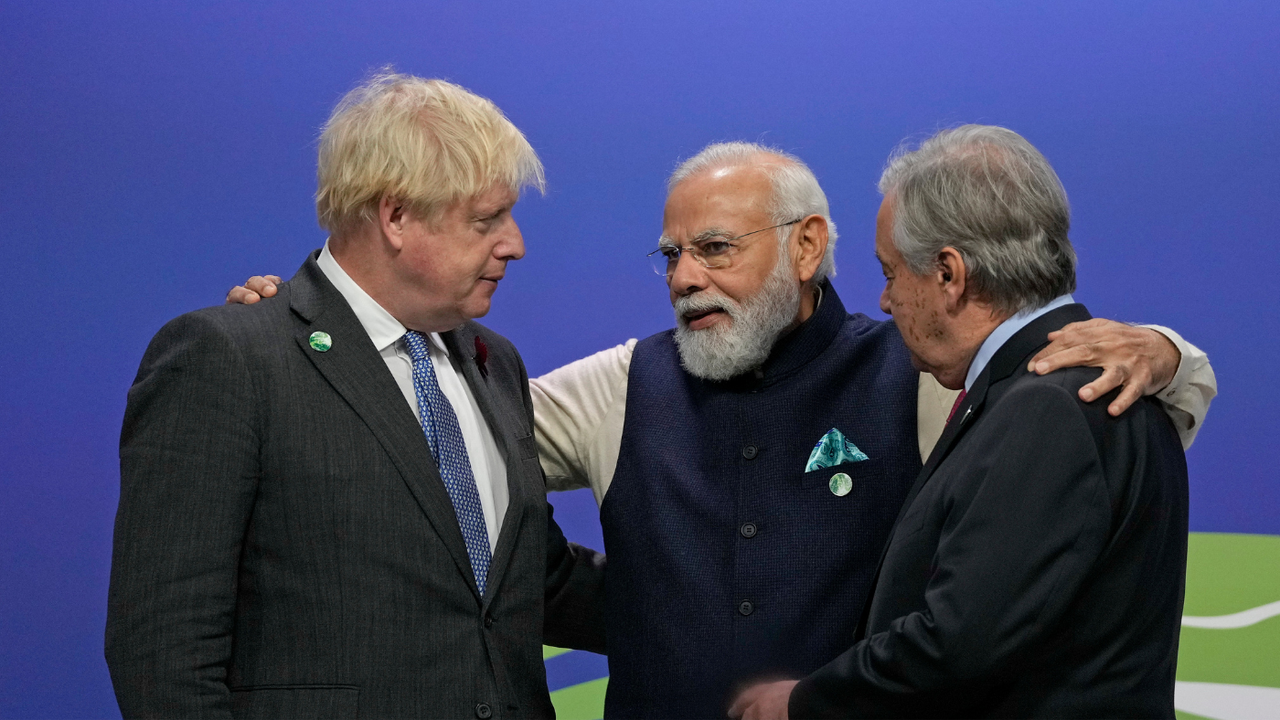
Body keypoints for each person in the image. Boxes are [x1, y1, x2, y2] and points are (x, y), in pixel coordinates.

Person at [229, 142, 1215, 718]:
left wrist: (1171, 353)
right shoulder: (619, 384)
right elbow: (408, 444)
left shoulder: (919, 373)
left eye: (712, 249)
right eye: (669, 256)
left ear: (808, 246)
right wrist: (320, 345)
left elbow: (1073, 440)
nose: (683, 277)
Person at [105, 72, 605, 720]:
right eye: (487, 220)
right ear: (395, 216)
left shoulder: (495, 363)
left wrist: (745, 612)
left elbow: (531, 583)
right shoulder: (230, 360)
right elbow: (162, 659)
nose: (515, 244)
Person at [730, 125, 1190, 719]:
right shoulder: (1087, 386)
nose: (885, 301)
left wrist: (803, 701)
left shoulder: (1046, 408)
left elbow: (961, 640)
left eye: (891, 272)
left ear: (949, 274)